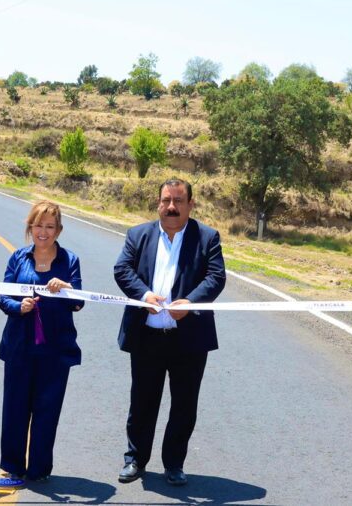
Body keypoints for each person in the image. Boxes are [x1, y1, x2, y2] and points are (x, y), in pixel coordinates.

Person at [114, 178, 225, 487]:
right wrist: (144, 294)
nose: (171, 207)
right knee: (142, 402)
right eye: (166, 200)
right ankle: (134, 459)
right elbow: (122, 270)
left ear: (191, 204)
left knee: (184, 405)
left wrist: (191, 302)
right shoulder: (138, 235)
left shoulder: (207, 238)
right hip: (147, 335)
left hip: (188, 340)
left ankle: (174, 464)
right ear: (158, 203)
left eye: (178, 201)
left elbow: (216, 277)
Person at [0, 200, 84, 482]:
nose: (43, 232)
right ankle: (12, 467)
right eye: (38, 225)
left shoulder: (70, 261)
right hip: (19, 347)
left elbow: (79, 302)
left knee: (47, 410)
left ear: (59, 230)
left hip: (56, 350)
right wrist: (17, 307)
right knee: (15, 408)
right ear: (30, 227)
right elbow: (2, 296)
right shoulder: (18, 258)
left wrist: (67, 290)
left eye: (49, 226)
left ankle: (39, 471)